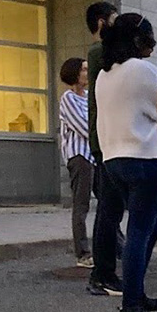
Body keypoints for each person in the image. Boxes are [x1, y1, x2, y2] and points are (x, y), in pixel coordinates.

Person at [96, 13, 157, 312]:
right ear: (137, 40)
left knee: (150, 229)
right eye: (148, 40)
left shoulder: (103, 74)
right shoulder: (141, 70)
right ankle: (131, 306)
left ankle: (135, 294)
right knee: (141, 231)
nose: (151, 47)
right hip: (144, 156)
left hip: (114, 157)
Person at [84, 1, 126, 298]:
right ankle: (103, 274)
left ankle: (104, 272)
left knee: (111, 210)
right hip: (107, 140)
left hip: (107, 139)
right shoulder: (100, 53)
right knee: (109, 211)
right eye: (114, 20)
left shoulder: (103, 53)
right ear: (101, 23)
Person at [59, 57, 94, 268]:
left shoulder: (90, 97)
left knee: (110, 203)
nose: (87, 73)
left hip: (95, 156)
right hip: (79, 156)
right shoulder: (68, 98)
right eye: (83, 70)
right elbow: (84, 127)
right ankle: (82, 253)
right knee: (81, 205)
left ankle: (117, 246)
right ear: (74, 73)